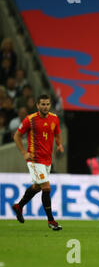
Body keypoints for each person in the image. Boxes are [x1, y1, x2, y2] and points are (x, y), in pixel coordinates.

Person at [11, 94, 64, 230]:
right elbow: (17, 136)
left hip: (47, 160)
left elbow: (57, 133)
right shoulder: (30, 119)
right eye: (42, 104)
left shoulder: (54, 118)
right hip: (34, 160)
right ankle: (51, 221)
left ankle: (19, 206)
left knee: (37, 187)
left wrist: (59, 144)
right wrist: (24, 153)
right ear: (37, 105)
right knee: (46, 187)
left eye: (47, 104)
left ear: (50, 105)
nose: (45, 107)